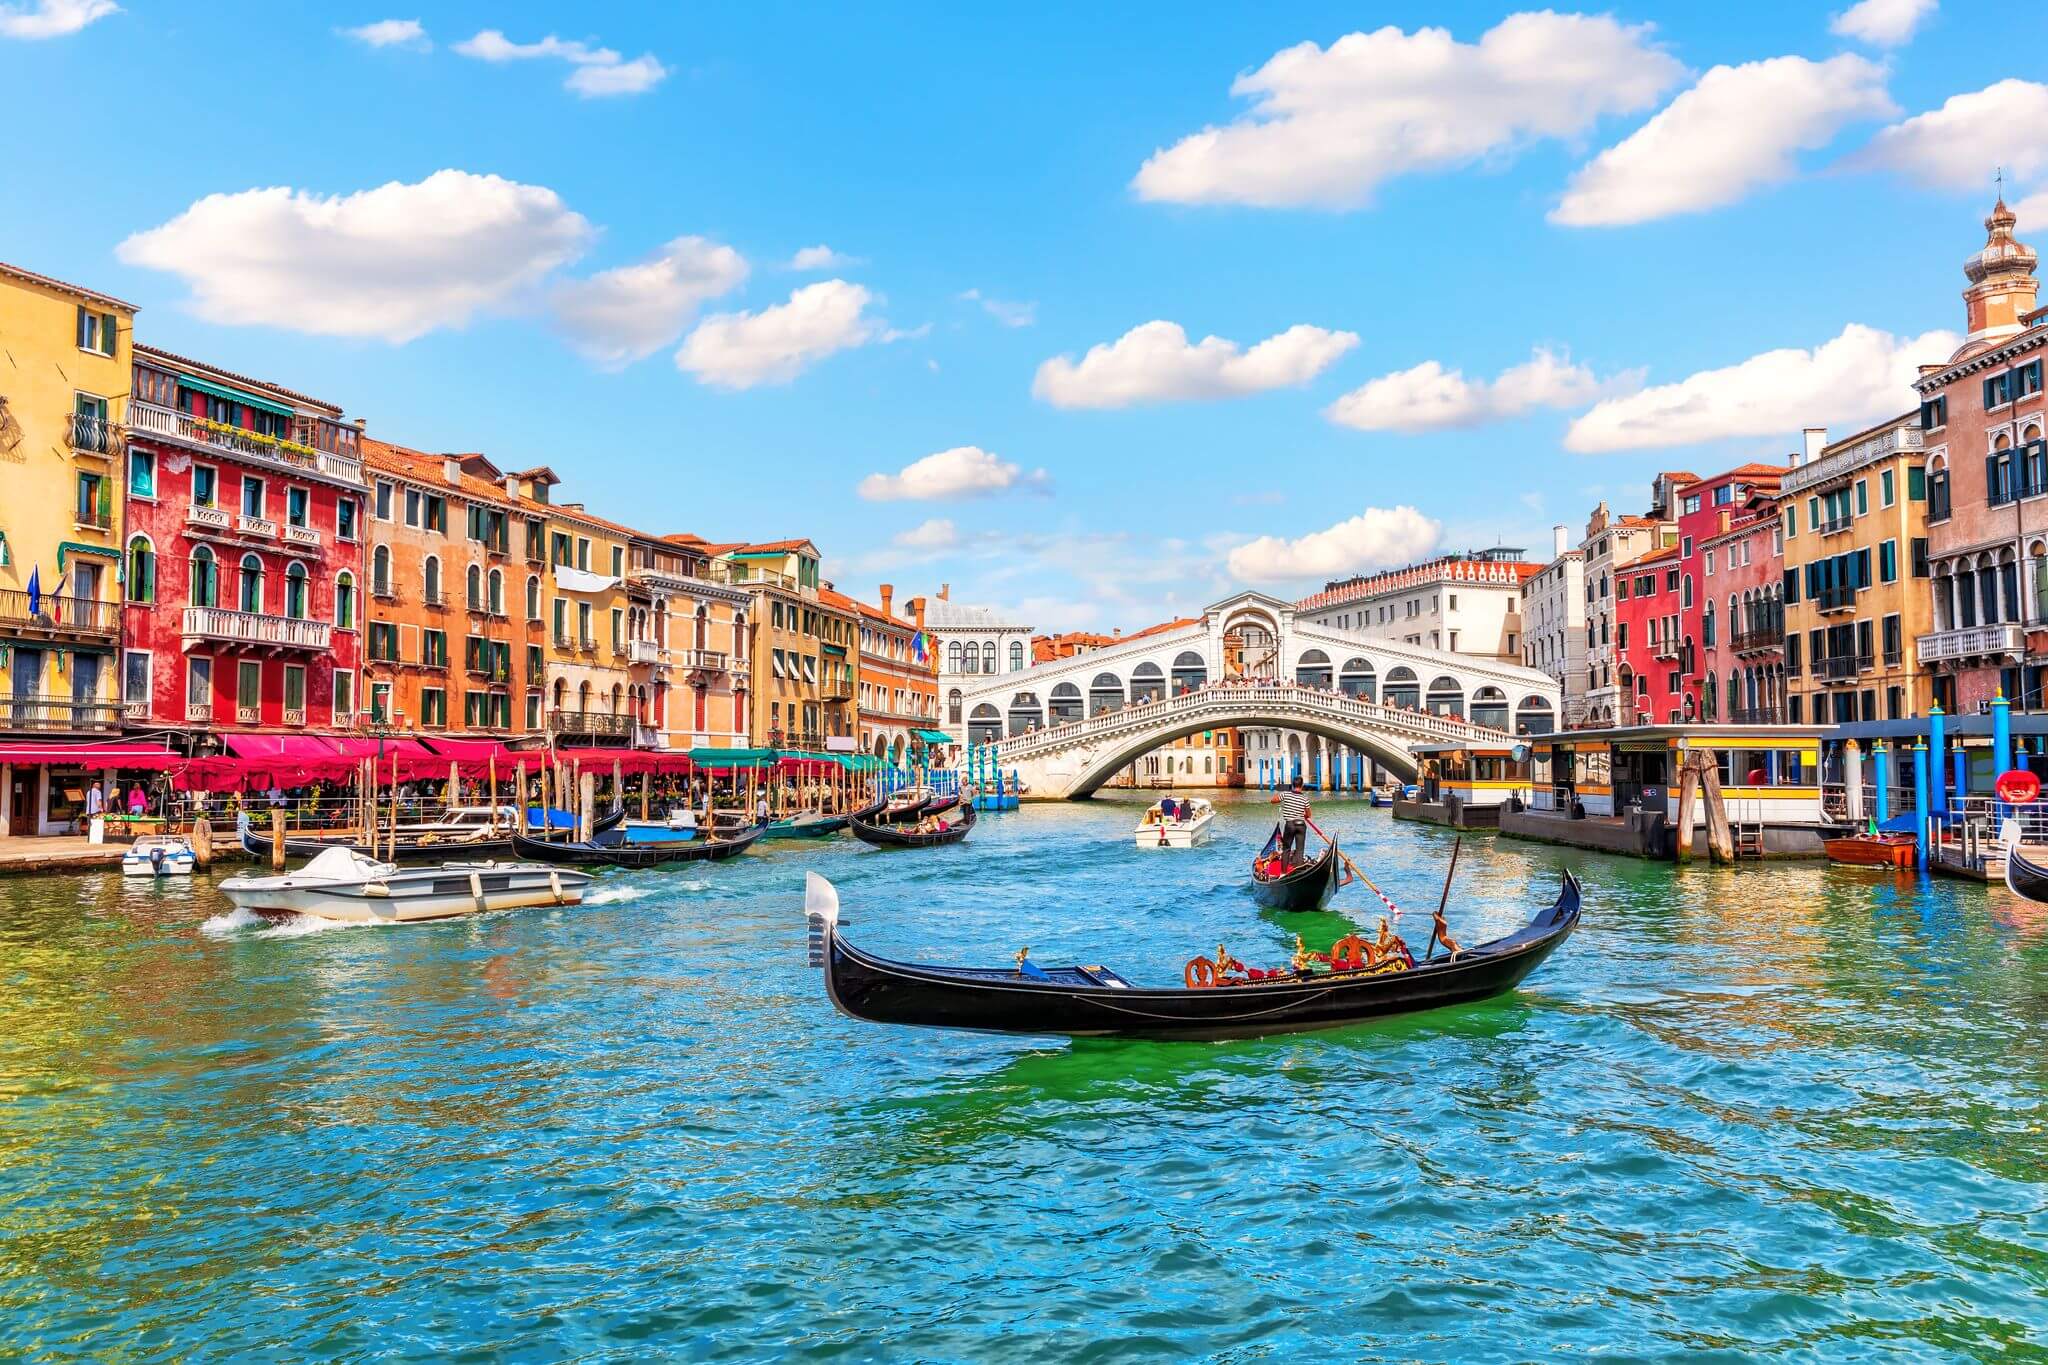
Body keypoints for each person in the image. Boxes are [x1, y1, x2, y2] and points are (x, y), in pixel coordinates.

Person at [1270, 777, 1310, 863]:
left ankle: (1283, 872)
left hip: (1290, 825)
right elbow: (1308, 815)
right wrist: (1303, 814)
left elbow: (1272, 800)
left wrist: (1280, 793)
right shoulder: (1305, 798)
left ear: (1292, 785)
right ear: (1302, 785)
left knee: (1286, 849)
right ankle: (1299, 870)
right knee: (1300, 850)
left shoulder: (1285, 794)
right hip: (1301, 825)